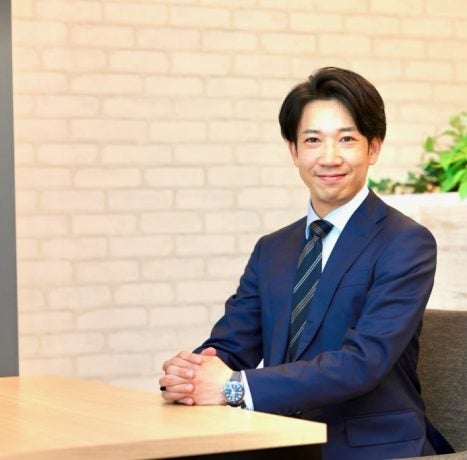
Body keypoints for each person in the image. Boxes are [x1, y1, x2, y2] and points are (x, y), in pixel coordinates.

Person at [159, 67, 452, 459]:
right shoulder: (272, 249)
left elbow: (362, 363)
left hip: (368, 447)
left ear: (373, 148)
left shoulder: (405, 243)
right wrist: (192, 374)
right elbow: (232, 345)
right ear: (294, 151)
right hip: (279, 439)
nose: (329, 157)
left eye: (346, 139)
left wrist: (233, 387)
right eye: (313, 140)